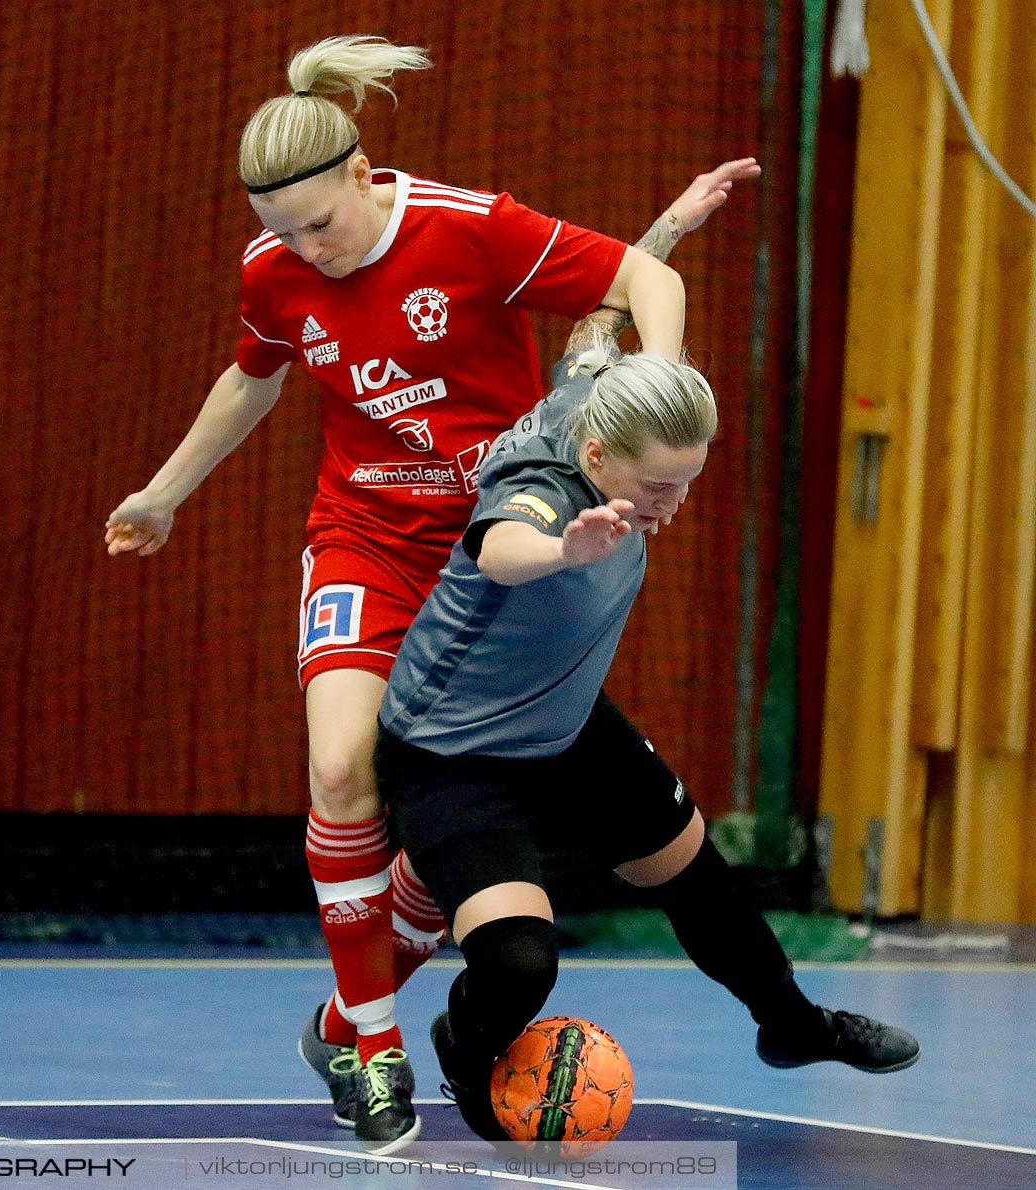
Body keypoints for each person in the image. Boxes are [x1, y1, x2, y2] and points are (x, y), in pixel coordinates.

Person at [103, 33, 737, 1150]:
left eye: (320, 222)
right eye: (280, 232)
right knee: (341, 767)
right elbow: (250, 381)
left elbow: (648, 278)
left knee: (452, 835)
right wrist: (162, 492)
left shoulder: (468, 227)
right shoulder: (277, 271)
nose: (307, 250)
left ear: (361, 172)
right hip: (363, 542)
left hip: (495, 563)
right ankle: (379, 1047)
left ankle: (348, 1008)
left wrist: (656, 382)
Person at [373, 340, 920, 1143]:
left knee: (701, 880)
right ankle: (465, 1043)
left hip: (565, 723)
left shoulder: (595, 393)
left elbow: (619, 301)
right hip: (454, 753)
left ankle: (793, 1026)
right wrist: (566, 549)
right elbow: (499, 548)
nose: (673, 503)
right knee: (521, 965)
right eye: (659, 485)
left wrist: (676, 224)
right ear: (596, 456)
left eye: (689, 481)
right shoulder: (543, 492)